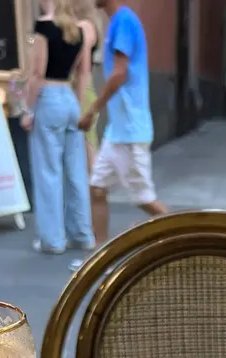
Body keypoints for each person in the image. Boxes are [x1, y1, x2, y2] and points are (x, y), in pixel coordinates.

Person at [76, 0, 167, 250]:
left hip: (130, 131)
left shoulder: (124, 21)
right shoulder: (117, 22)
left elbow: (119, 73)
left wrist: (92, 111)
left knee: (145, 199)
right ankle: (99, 254)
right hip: (118, 132)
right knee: (97, 188)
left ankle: (186, 242)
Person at [22, 0, 96, 255]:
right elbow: (84, 72)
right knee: (76, 172)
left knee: (48, 172)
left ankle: (52, 239)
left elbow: (37, 73)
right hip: (68, 98)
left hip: (49, 98)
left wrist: (28, 109)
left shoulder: (44, 27)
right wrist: (76, 101)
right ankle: (82, 234)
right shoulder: (81, 30)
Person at [72, 0, 102, 171]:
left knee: (87, 146)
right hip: (85, 89)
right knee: (88, 144)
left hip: (82, 90)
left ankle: (94, 192)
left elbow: (80, 66)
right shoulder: (91, 25)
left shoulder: (84, 26)